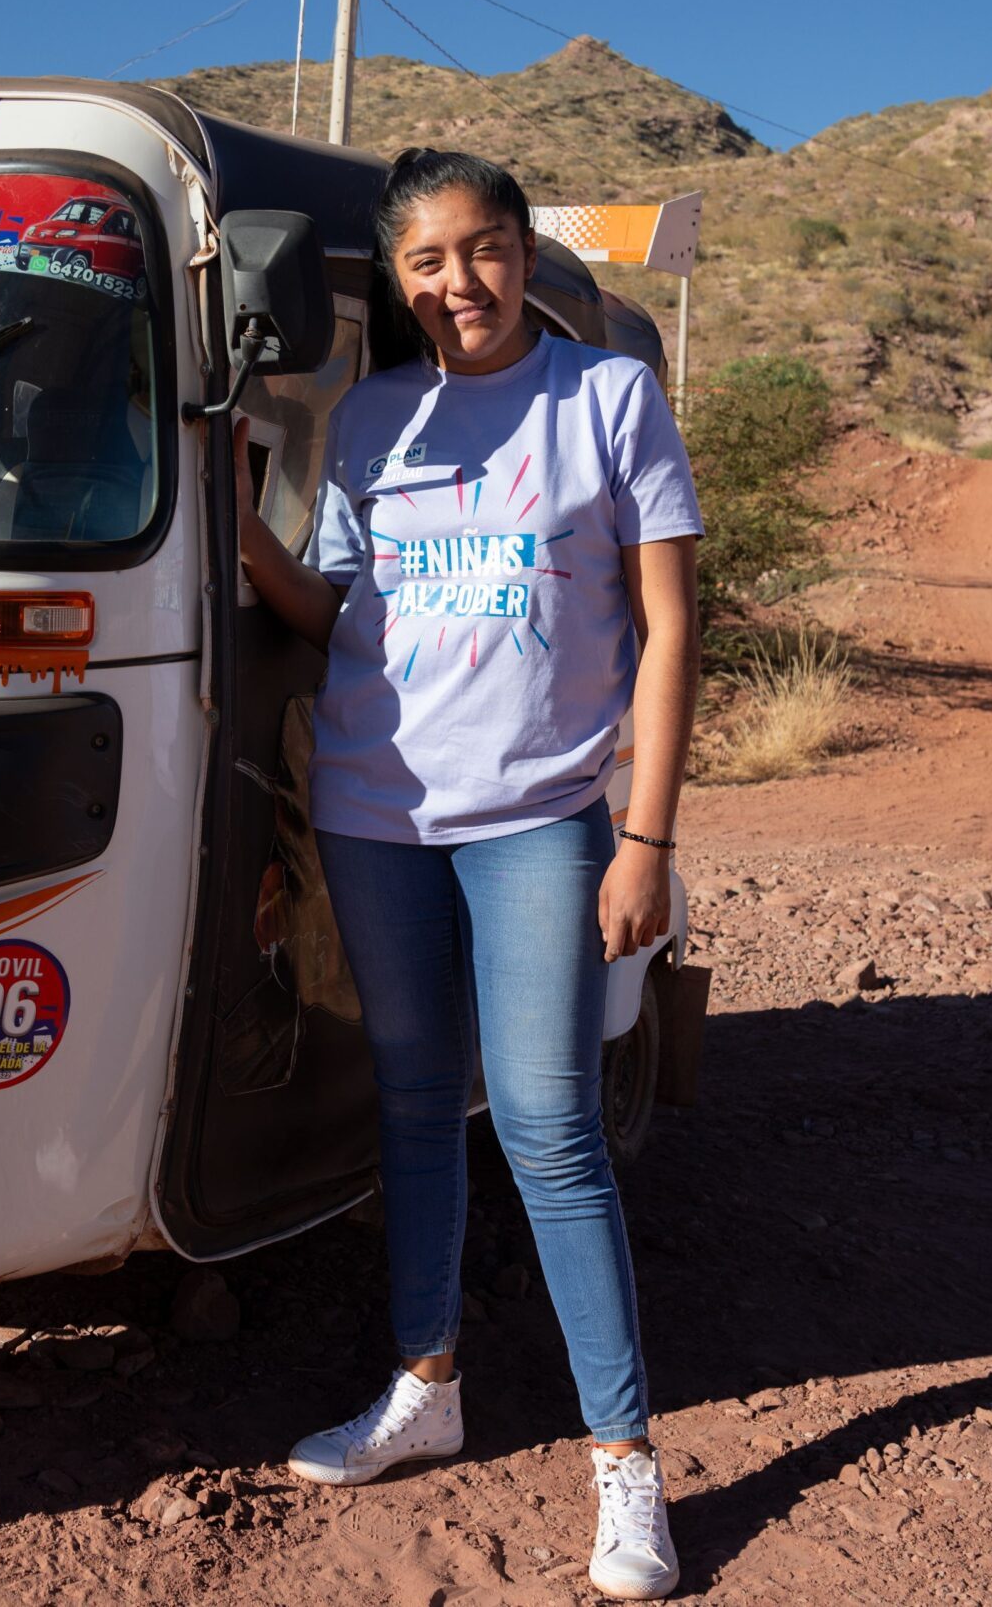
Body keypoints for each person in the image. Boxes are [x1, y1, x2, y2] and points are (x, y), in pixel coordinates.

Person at [235, 148, 701, 1602]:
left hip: (542, 820)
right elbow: (338, 611)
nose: (461, 281)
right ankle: (424, 1387)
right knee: (416, 1112)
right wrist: (234, 514)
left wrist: (647, 836)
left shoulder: (608, 400)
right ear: (404, 281)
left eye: (485, 247)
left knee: (553, 1132)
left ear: (520, 250)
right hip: (379, 815)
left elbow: (670, 631)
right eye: (430, 260)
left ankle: (625, 1468)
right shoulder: (374, 416)